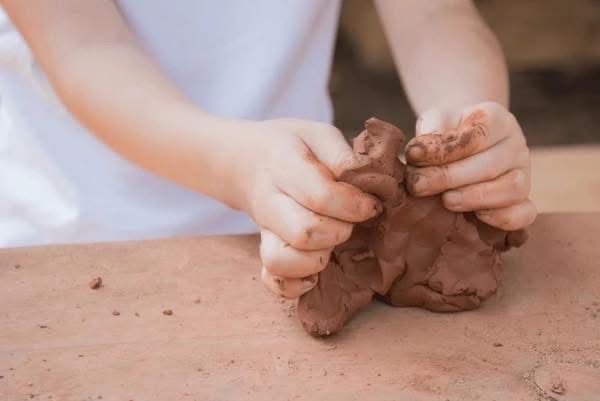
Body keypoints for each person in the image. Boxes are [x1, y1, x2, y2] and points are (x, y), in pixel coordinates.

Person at [0, 1, 536, 298]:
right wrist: (236, 166)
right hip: (77, 238)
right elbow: (84, 48)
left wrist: (471, 122)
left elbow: (435, 17)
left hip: (303, 223)